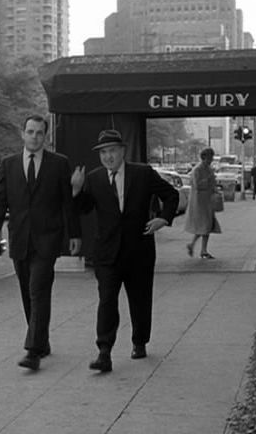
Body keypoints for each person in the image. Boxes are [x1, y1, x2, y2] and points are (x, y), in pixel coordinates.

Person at [71, 129, 179, 373]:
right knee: (107, 300)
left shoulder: (142, 174)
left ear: (122, 151)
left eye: (112, 151)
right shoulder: (95, 178)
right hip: (107, 253)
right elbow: (84, 208)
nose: (108, 156)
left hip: (138, 249)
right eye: (103, 153)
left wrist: (163, 218)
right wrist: (76, 191)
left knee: (140, 299)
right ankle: (104, 352)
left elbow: (171, 196)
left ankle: (139, 341)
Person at [0, 114, 81, 371]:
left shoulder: (59, 164)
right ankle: (42, 341)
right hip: (20, 239)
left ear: (46, 136)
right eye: (30, 132)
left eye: (40, 133)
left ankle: (32, 350)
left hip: (48, 238)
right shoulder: (9, 164)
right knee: (27, 294)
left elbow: (66, 203)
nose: (35, 137)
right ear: (23, 134)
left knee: (39, 290)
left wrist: (74, 235)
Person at [184, 147, 222, 259]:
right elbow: (197, 185)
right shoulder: (197, 170)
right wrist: (208, 180)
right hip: (199, 202)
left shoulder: (209, 169)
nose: (211, 160)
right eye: (209, 157)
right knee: (204, 225)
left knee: (207, 225)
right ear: (204, 157)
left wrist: (215, 190)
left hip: (207, 201)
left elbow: (213, 183)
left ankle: (200, 248)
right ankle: (199, 248)